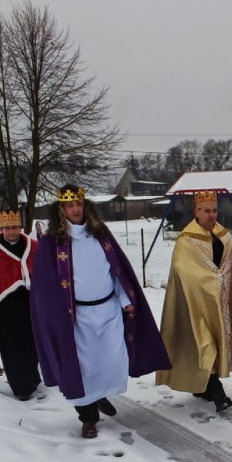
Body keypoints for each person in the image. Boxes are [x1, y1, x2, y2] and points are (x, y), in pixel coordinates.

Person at [30, 185, 170, 438]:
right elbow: (45, 287)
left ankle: (99, 396)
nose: (75, 209)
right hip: (77, 318)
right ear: (61, 210)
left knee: (110, 361)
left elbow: (116, 269)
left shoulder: (100, 234)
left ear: (86, 206)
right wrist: (58, 316)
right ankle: (88, 417)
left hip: (108, 312)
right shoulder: (52, 242)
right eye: (69, 205)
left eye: (79, 204)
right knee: (83, 368)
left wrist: (123, 296)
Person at [156, 191, 232, 411]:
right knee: (205, 343)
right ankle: (219, 394)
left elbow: (231, 267)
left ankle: (203, 387)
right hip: (196, 302)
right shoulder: (186, 240)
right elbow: (183, 270)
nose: (211, 215)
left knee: (215, 343)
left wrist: (227, 285)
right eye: (206, 211)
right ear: (196, 212)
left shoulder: (224, 235)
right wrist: (211, 280)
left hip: (220, 301)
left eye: (214, 210)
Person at [0, 210, 41, 400]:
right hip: (4, 308)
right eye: (7, 228)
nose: (11, 232)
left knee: (32, 344)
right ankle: (20, 387)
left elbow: (43, 274)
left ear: (20, 228)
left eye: (14, 228)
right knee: (11, 347)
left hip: (30, 304)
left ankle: (32, 378)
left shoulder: (34, 247)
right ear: (2, 229)